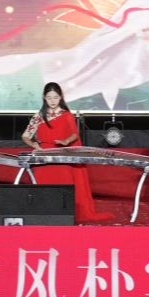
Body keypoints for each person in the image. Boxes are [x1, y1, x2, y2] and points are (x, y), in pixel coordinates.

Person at [22, 82, 109, 222]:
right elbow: (26, 136)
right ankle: (45, 215)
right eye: (49, 97)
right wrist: (34, 145)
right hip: (44, 157)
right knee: (43, 187)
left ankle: (64, 216)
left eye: (55, 97)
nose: (52, 101)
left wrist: (66, 141)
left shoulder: (67, 115)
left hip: (61, 156)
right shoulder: (39, 116)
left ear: (61, 97)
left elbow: (74, 134)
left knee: (64, 187)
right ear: (44, 97)